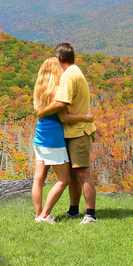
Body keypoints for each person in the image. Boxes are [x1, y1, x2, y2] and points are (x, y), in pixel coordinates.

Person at [31, 56, 93, 223]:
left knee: (39, 178)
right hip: (53, 139)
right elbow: (64, 117)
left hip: (39, 137)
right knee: (64, 179)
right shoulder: (57, 91)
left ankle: (38, 215)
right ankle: (45, 215)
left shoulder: (39, 88)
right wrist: (85, 118)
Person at [51, 42, 99, 224]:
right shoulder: (76, 72)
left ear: (58, 59)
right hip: (76, 131)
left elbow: (62, 113)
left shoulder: (68, 77)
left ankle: (91, 214)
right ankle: (73, 210)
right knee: (74, 173)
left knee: (82, 173)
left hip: (78, 131)